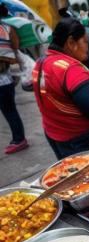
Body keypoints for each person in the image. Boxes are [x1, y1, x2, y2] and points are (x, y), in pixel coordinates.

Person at [32, 18, 89, 159]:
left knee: (73, 175)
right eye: (84, 41)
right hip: (82, 140)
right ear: (71, 43)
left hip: (56, 135)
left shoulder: (41, 63)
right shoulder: (71, 69)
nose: (87, 46)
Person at [0, 3, 28, 154]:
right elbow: (16, 47)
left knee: (9, 110)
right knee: (10, 109)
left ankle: (19, 139)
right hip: (7, 76)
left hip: (3, 79)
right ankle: (18, 138)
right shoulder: (9, 27)